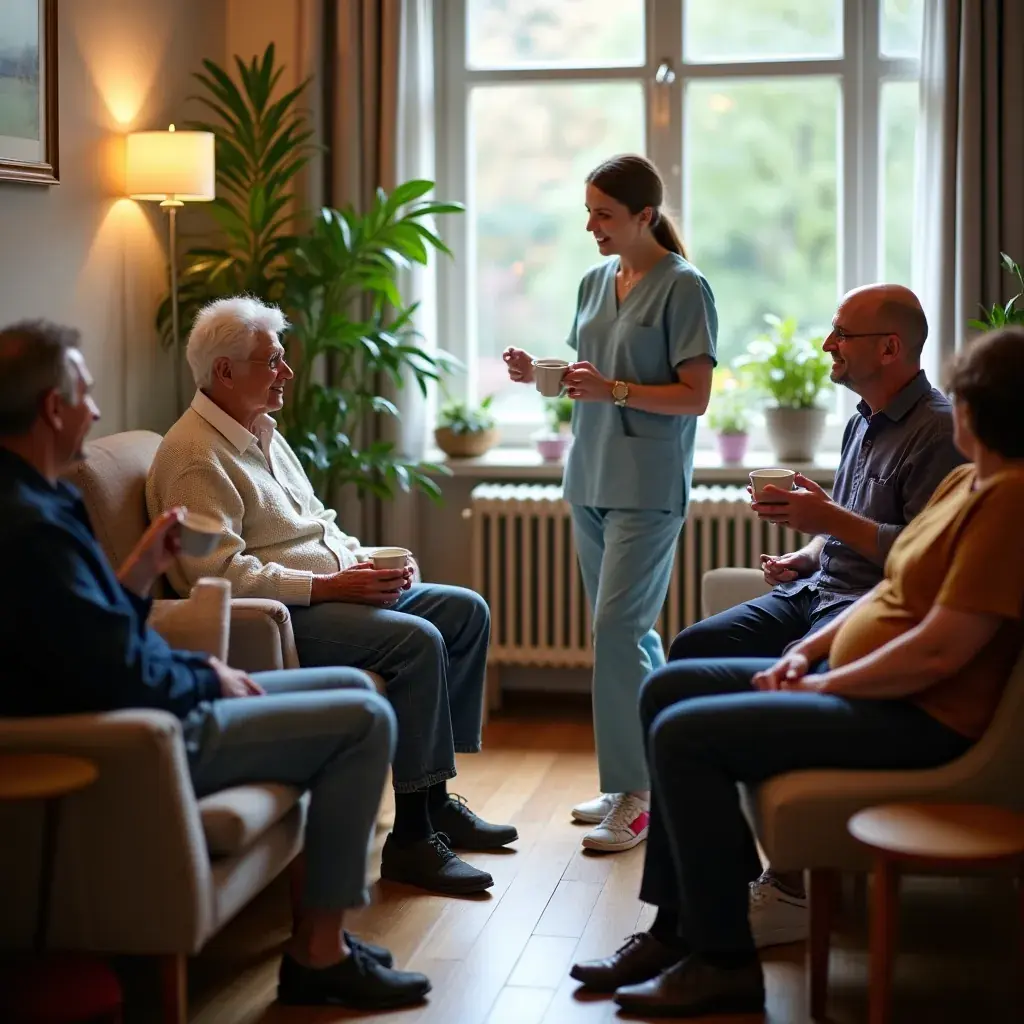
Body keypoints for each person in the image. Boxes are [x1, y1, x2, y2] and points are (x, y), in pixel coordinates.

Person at [570, 325, 1024, 1018]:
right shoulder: (970, 481)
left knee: (685, 735)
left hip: (922, 716)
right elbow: (891, 589)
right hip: (872, 680)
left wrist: (826, 682)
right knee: (668, 685)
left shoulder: (1011, 503)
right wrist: (806, 652)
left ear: (975, 410)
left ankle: (722, 961)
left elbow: (939, 650)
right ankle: (674, 931)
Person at [0, 319, 432, 1011]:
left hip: (156, 702)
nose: (99, 408)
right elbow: (108, 672)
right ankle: (319, 954)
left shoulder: (45, 499)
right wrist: (209, 676)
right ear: (53, 408)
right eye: (85, 391)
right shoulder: (27, 529)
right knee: (362, 717)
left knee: (354, 685)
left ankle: (328, 938)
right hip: (148, 730)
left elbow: (89, 628)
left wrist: (141, 568)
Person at [146, 296, 516, 897]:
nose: (287, 373)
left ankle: (437, 798)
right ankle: (413, 841)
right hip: (288, 615)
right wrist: (328, 585)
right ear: (224, 372)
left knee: (463, 611)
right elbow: (215, 576)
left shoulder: (261, 430)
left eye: (282, 358)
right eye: (273, 362)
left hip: (335, 588)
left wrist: (367, 561)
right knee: (417, 641)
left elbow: (319, 522)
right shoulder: (193, 457)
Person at [667, 282, 965, 945]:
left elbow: (918, 560)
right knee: (689, 647)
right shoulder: (864, 416)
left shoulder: (938, 432)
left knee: (699, 703)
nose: (827, 346)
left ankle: (788, 888)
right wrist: (808, 547)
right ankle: (718, 878)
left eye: (841, 335)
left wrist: (827, 517)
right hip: (817, 591)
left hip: (858, 610)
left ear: (889, 348)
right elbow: (854, 520)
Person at [504, 154, 718, 854]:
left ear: (644, 216)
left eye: (603, 214)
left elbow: (694, 397)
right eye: (589, 211)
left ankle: (636, 793)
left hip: (648, 486)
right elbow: (588, 378)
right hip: (589, 476)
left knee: (618, 633)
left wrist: (614, 390)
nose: (590, 225)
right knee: (629, 635)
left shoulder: (685, 288)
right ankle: (646, 771)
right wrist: (542, 375)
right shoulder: (596, 280)